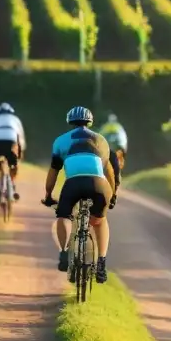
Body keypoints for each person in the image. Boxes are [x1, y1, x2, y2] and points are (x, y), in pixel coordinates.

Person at [42, 106, 116, 284]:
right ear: (90, 122)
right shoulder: (101, 140)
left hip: (73, 184)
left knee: (63, 216)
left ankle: (63, 253)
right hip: (99, 184)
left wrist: (48, 194)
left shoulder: (60, 141)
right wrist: (111, 195)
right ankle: (101, 264)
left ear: (70, 122)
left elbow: (53, 172)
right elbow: (110, 173)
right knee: (100, 221)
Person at [0, 102, 24, 203]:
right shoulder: (15, 119)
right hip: (10, 143)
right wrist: (20, 153)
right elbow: (20, 139)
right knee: (14, 165)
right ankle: (12, 186)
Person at [98, 113, 128, 209]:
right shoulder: (119, 127)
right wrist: (123, 151)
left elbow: (99, 138)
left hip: (105, 151)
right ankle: (113, 194)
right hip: (116, 151)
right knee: (116, 171)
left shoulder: (105, 127)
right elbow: (123, 141)